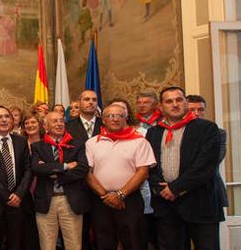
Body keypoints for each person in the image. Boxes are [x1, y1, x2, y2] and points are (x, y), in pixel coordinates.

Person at [147, 88, 224, 250]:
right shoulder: (153, 132)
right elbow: (149, 165)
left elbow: (205, 166)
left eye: (179, 100)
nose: (175, 104)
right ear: (161, 107)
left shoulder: (207, 128)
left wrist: (175, 188)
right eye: (169, 101)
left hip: (200, 203)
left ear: (185, 102)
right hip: (166, 206)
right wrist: (160, 188)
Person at [85, 104, 155, 250]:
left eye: (119, 116)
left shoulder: (139, 141)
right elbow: (88, 173)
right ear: (103, 120)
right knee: (104, 242)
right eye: (110, 116)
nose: (115, 119)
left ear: (126, 118)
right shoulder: (91, 143)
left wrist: (120, 194)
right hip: (101, 200)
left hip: (129, 199)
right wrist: (107, 196)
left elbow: (142, 172)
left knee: (134, 241)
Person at [31, 111, 90, 250]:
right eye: (54, 121)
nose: (59, 124)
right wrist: (65, 166)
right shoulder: (37, 147)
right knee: (47, 245)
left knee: (74, 245)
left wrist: (56, 174)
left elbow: (82, 169)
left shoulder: (77, 145)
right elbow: (36, 168)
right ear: (45, 125)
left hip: (70, 201)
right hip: (46, 202)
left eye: (61, 121)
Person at [0, 106, 34, 250]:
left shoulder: (21, 141)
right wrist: (8, 196)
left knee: (17, 244)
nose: (3, 120)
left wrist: (19, 194)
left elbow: (28, 170)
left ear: (12, 120)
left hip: (20, 203)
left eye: (6, 116)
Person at [187, 94, 228, 210]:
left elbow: (214, 160)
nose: (196, 113)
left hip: (209, 188)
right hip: (181, 193)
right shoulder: (175, 133)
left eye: (200, 110)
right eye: (191, 110)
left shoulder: (218, 133)